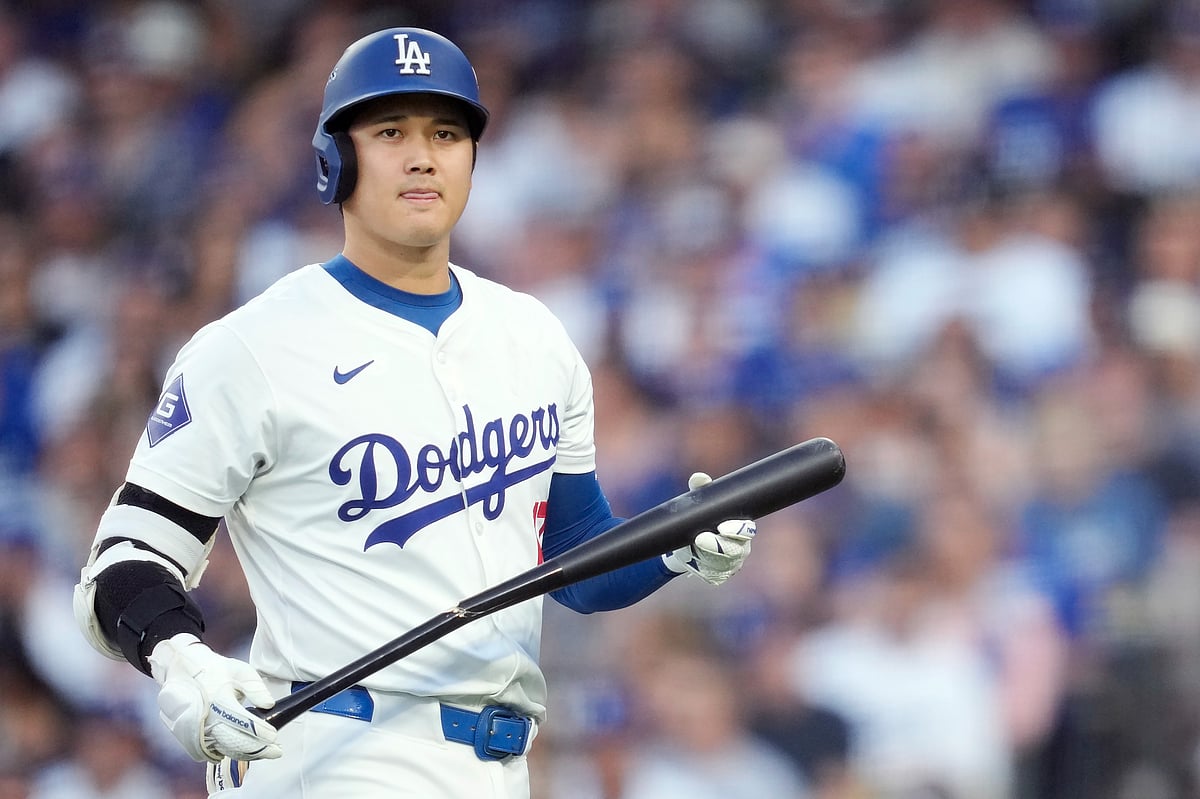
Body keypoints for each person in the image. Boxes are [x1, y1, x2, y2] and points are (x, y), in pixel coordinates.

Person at [69, 26, 757, 799]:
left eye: (446, 133)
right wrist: (181, 656)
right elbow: (123, 561)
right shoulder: (252, 348)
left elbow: (574, 559)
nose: (423, 156)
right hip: (334, 753)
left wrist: (673, 544)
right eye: (391, 132)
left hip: (500, 764)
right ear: (336, 159)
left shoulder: (534, 337)